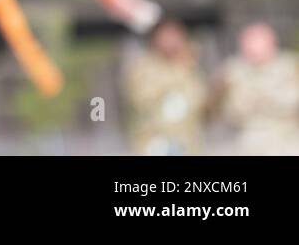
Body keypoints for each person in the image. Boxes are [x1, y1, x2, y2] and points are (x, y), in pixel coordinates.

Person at [122, 17, 209, 155]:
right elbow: (141, 98)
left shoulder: (190, 67)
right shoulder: (143, 67)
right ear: (155, 39)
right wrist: (177, 72)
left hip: (187, 142)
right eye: (166, 36)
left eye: (176, 35)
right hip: (153, 141)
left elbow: (200, 102)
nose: (172, 41)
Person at [216, 22, 299, 155]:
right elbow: (224, 109)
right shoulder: (233, 71)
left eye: (257, 41)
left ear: (272, 43)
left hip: (287, 139)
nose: (252, 47)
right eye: (247, 42)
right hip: (248, 140)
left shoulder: (291, 67)